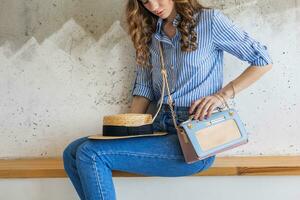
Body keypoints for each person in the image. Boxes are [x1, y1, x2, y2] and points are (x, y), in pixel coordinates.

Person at [63, 0, 273, 199]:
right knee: (72, 152)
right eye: (145, 2)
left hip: (195, 138)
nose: (153, 6)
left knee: (91, 153)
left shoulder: (209, 21)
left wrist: (222, 95)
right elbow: (144, 87)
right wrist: (126, 131)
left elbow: (262, 60)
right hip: (158, 125)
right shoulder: (150, 31)